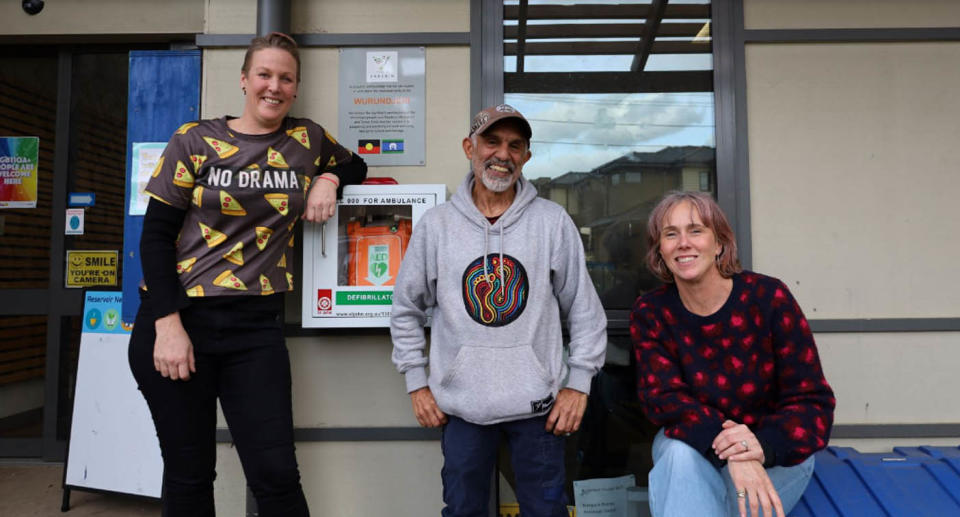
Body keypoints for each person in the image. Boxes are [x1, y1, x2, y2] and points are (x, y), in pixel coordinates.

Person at [128, 32, 366, 517]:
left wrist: (327, 178)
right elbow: (154, 239)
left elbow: (355, 164)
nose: (273, 86)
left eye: (285, 77)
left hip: (255, 328)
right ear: (243, 79)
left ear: (296, 87)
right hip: (180, 319)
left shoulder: (307, 140)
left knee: (276, 475)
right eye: (264, 74)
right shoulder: (194, 140)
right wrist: (167, 325)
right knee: (189, 475)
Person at [390, 104, 607, 517]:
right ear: (469, 147)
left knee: (546, 512)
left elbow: (585, 312)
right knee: (463, 511)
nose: (502, 154)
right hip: (462, 409)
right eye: (492, 142)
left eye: (515, 145)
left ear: (526, 156)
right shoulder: (437, 227)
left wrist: (578, 384)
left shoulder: (552, 223)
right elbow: (405, 310)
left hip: (538, 410)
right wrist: (417, 383)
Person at [630, 191, 835, 517]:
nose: (683, 242)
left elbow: (811, 402)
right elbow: (664, 399)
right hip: (694, 445)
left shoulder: (769, 297)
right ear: (660, 251)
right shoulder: (651, 312)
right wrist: (734, 449)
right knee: (677, 459)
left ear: (720, 243)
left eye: (696, 230)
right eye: (671, 234)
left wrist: (758, 450)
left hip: (774, 451)